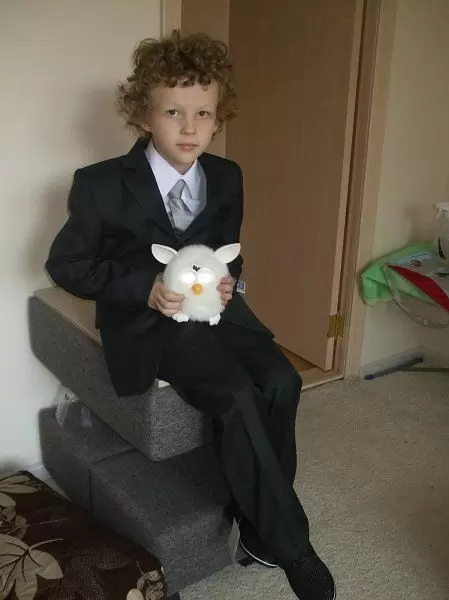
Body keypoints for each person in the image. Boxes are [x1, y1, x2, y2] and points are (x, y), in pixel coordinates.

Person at [46, 30, 336, 600]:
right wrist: (144, 288)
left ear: (217, 117)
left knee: (281, 381)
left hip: (216, 310)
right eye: (173, 112)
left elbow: (229, 251)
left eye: (203, 113)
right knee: (235, 393)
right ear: (144, 115)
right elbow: (67, 265)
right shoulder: (100, 184)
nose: (189, 127)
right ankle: (292, 547)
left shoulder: (227, 176)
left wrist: (230, 279)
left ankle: (258, 529)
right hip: (152, 321)